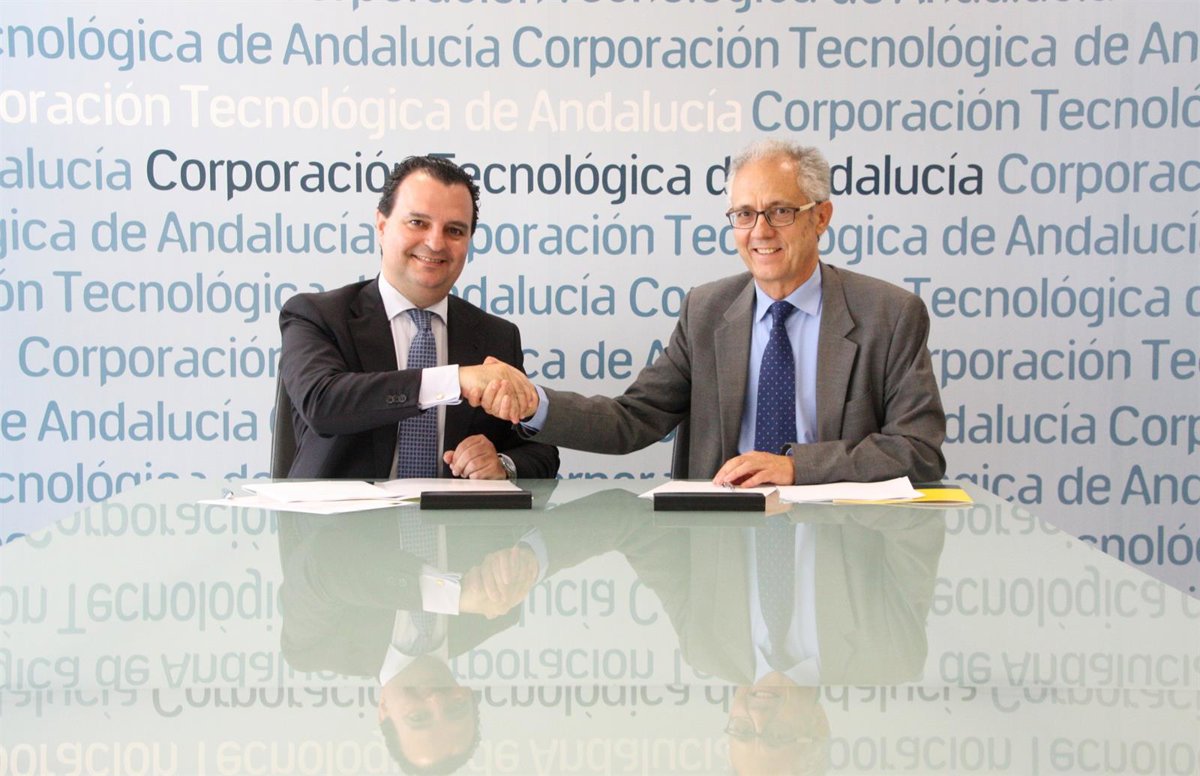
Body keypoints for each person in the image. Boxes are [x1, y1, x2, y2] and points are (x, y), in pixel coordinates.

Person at [494, 140, 944, 486]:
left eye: (780, 211)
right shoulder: (706, 311)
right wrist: (536, 405)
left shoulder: (890, 315)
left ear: (821, 217)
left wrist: (796, 467)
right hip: (721, 546)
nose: (760, 231)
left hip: (841, 546)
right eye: (744, 214)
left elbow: (919, 451)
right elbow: (632, 419)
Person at [278, 155, 558, 481]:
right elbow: (322, 403)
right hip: (340, 514)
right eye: (418, 223)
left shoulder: (496, 336)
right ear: (382, 226)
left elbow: (541, 451)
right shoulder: (317, 315)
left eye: (454, 230)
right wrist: (453, 381)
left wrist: (502, 464)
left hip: (456, 516)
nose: (435, 243)